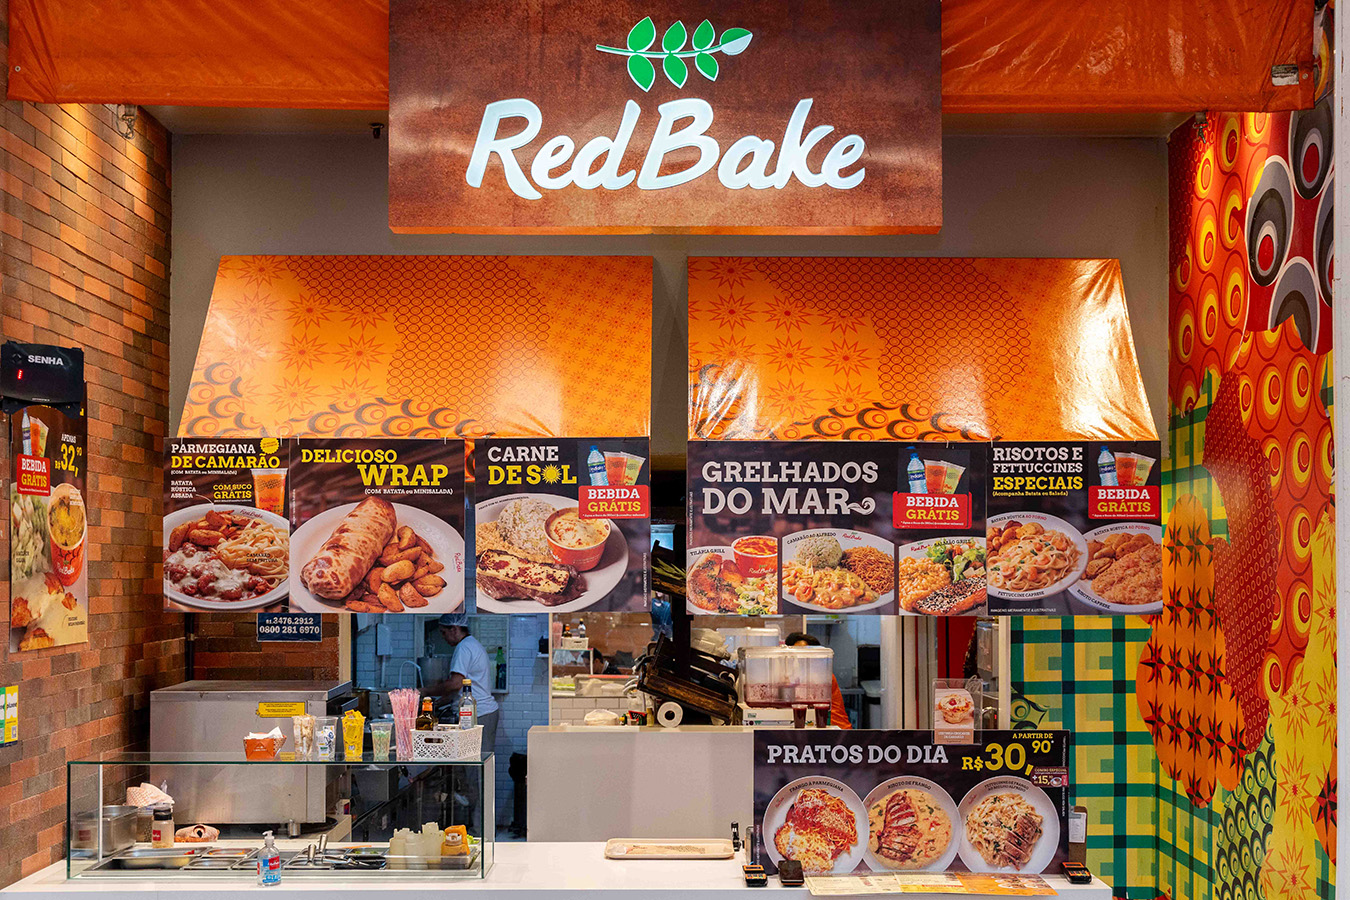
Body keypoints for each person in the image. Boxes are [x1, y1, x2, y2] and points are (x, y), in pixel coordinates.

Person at [425, 613, 499, 753]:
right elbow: (465, 685)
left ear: (454, 629)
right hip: (481, 712)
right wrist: (443, 701)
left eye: (444, 632)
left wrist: (425, 691)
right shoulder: (471, 644)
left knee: (475, 761)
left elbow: (455, 684)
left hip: (478, 714)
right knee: (477, 758)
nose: (443, 637)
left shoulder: (464, 648)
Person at [783, 632, 853, 729]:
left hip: (835, 729)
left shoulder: (822, 677)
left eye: (805, 653)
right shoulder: (795, 676)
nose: (800, 658)